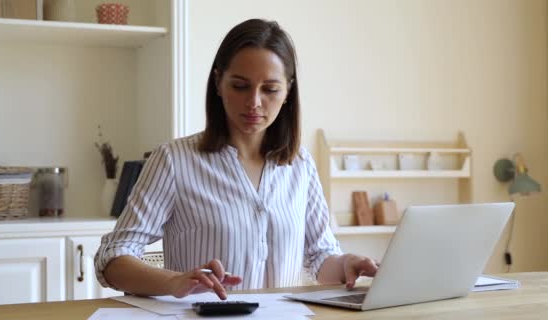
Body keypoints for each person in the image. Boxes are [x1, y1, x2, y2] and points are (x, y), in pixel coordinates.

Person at [94, 18, 378, 300]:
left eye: (270, 89)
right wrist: (174, 281)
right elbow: (113, 258)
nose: (254, 101)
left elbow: (320, 257)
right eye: (240, 86)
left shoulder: (300, 164)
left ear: (288, 91)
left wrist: (344, 264)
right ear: (218, 82)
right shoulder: (174, 160)